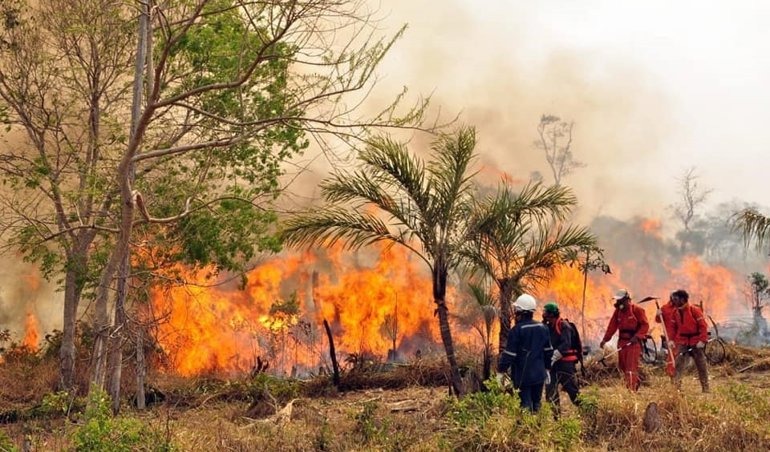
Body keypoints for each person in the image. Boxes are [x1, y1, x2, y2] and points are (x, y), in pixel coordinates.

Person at [497, 293, 554, 412]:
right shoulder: (543, 328)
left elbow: (509, 355)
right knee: (536, 404)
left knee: (525, 405)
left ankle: (526, 429)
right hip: (539, 374)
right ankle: (537, 428)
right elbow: (548, 351)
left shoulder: (517, 330)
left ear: (519, 311)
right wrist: (547, 369)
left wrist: (501, 371)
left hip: (522, 376)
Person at [599, 289, 650, 391]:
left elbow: (645, 325)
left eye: (620, 301)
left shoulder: (637, 310)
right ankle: (636, 382)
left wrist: (638, 336)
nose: (618, 303)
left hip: (633, 343)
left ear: (627, 300)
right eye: (617, 301)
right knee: (623, 366)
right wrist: (605, 339)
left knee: (631, 368)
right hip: (622, 342)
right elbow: (612, 326)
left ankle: (631, 391)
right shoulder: (618, 312)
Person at [542, 302, 581, 415]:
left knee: (572, 391)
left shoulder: (564, 326)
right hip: (552, 366)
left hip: (565, 365)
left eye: (546, 312)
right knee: (550, 393)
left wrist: (555, 356)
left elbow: (566, 344)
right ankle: (556, 419)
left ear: (551, 314)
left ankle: (588, 412)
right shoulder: (548, 327)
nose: (544, 315)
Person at [670, 289, 710, 393]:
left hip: (695, 342)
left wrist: (702, 340)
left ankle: (706, 388)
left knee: (701, 365)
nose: (673, 301)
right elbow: (673, 328)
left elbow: (703, 326)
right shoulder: (675, 312)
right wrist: (671, 340)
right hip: (683, 342)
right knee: (678, 364)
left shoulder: (694, 310)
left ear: (683, 300)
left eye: (676, 299)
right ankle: (676, 388)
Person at [655, 292, 678, 377]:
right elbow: (658, 320)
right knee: (672, 355)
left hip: (681, 335)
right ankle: (672, 374)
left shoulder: (682, 307)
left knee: (679, 355)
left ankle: (677, 372)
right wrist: (658, 315)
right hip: (670, 336)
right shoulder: (665, 308)